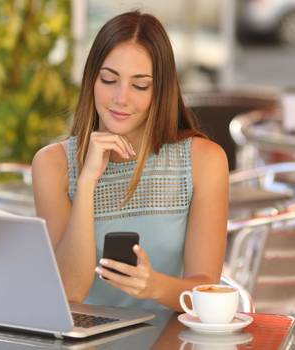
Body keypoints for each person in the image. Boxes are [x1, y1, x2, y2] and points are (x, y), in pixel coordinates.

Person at [32, 10, 229, 312]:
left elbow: (207, 292)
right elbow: (68, 294)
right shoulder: (52, 164)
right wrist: (86, 183)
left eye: (140, 85)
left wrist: (153, 286)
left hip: (169, 340)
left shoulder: (204, 161)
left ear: (160, 91)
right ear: (91, 81)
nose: (121, 98)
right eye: (109, 80)